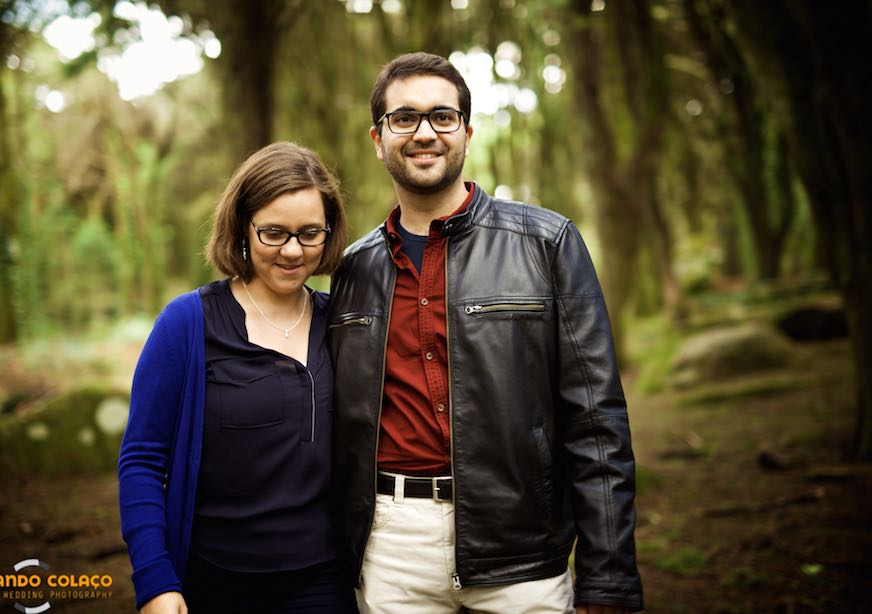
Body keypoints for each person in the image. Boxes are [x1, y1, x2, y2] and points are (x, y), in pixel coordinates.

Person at [328, 52, 643, 613]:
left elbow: (596, 420)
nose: (424, 132)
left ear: (467, 134)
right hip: (392, 550)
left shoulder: (547, 243)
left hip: (522, 545)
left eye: (442, 117)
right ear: (378, 139)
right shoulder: (354, 268)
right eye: (404, 118)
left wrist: (608, 577)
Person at [118, 142, 356, 613]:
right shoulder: (187, 323)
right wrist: (155, 582)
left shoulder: (343, 325)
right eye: (273, 233)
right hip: (213, 580)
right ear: (242, 229)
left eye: (310, 233)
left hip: (323, 581)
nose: (292, 250)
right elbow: (143, 460)